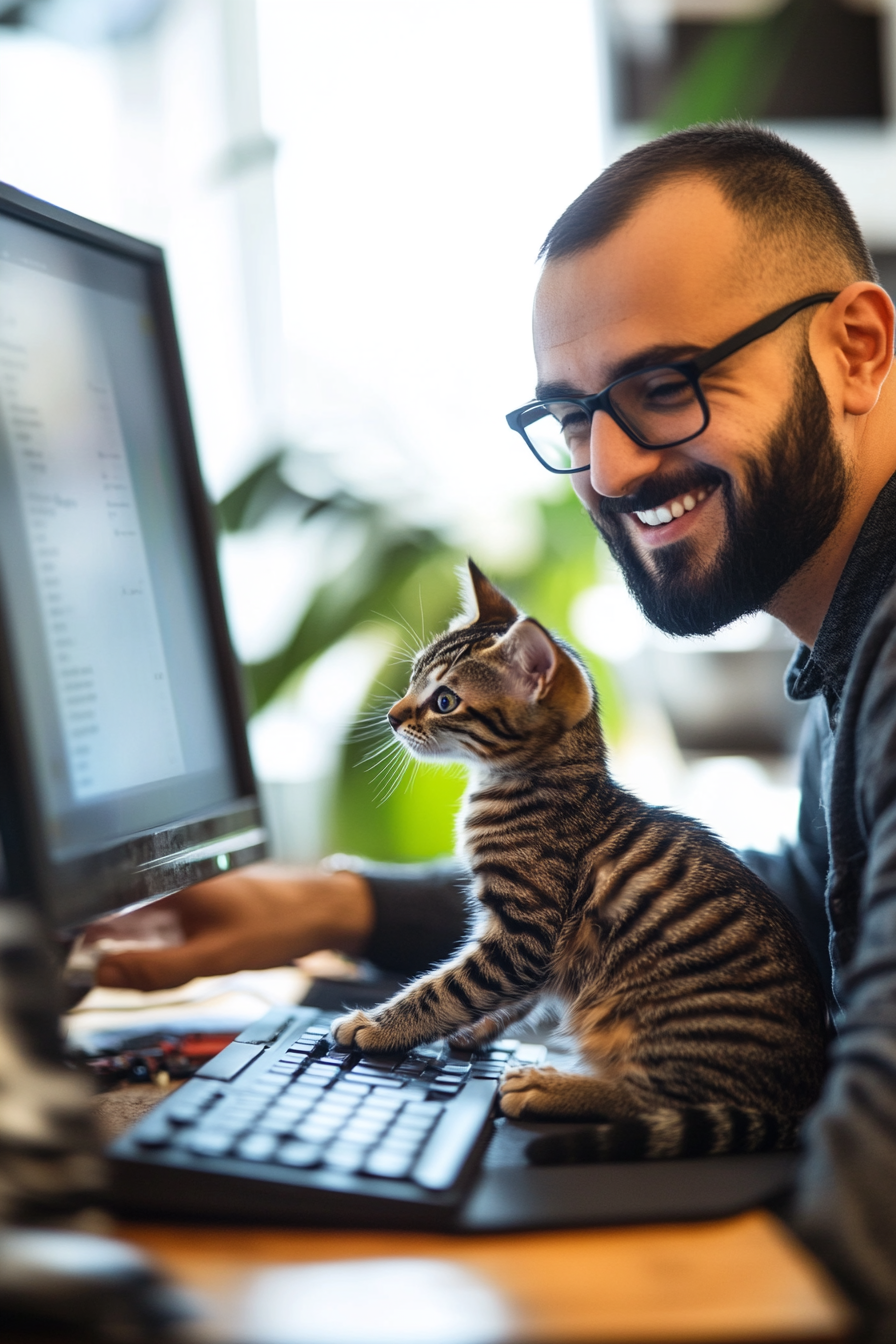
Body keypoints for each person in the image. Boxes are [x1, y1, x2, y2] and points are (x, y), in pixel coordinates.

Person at [96, 124, 896, 1338]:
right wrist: (344, 905)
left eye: (665, 386)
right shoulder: (844, 633)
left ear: (855, 347)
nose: (611, 466)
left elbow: (865, 1228)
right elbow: (812, 905)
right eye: (572, 416)